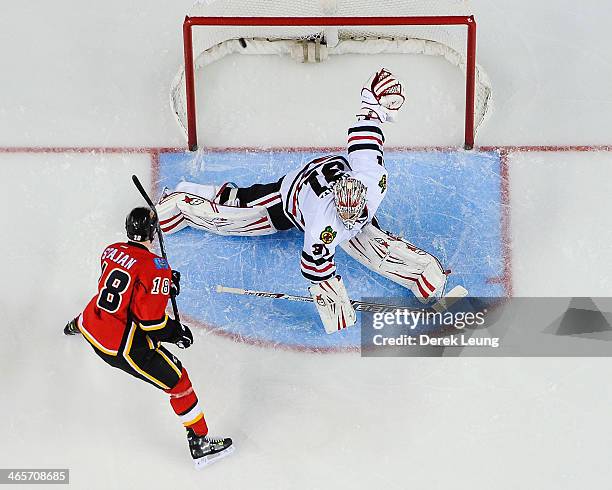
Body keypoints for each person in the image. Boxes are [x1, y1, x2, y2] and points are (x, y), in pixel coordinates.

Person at [157, 68, 451, 334]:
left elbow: (365, 132)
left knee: (376, 244)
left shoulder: (372, 179)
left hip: (330, 171)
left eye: (355, 212)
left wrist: (373, 98)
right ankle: (179, 203)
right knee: (234, 212)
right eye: (346, 214)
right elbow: (314, 267)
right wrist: (335, 305)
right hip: (292, 196)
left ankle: (427, 279)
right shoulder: (324, 225)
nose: (351, 218)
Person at [64, 207, 233, 469]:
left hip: (92, 321)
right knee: (179, 381)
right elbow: (151, 323)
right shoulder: (157, 268)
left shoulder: (111, 250)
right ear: (153, 232)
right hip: (120, 346)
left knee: (99, 306)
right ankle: (199, 440)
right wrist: (176, 332)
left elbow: (128, 288)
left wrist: (163, 286)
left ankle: (74, 326)